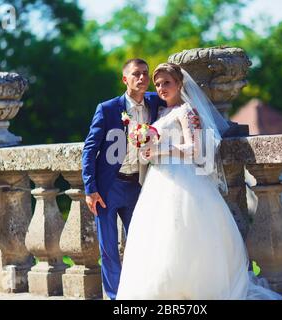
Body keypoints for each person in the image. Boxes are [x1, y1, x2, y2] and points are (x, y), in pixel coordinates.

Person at [116, 63, 282, 300]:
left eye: (167, 83)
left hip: (184, 180)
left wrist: (159, 150)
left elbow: (195, 149)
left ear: (180, 84)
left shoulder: (187, 112)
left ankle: (196, 290)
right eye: (158, 84)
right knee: (160, 236)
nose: (162, 88)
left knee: (186, 233)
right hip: (159, 181)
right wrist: (147, 151)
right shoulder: (161, 114)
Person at [81, 58, 164, 300]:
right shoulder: (107, 109)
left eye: (145, 74)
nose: (142, 78)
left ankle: (141, 292)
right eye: (136, 74)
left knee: (142, 242)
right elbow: (90, 149)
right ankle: (117, 298)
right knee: (108, 249)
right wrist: (90, 188)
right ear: (124, 79)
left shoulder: (155, 102)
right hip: (109, 187)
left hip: (139, 185)